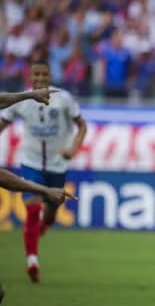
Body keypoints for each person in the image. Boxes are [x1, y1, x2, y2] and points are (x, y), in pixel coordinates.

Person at [0, 61, 87, 283]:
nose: (39, 78)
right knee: (32, 206)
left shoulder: (64, 98)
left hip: (58, 165)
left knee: (49, 215)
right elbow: (3, 123)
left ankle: (43, 227)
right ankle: (32, 260)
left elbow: (82, 125)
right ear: (30, 76)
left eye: (43, 74)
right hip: (31, 162)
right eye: (35, 74)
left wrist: (74, 148)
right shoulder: (22, 101)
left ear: (49, 75)